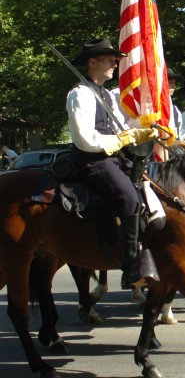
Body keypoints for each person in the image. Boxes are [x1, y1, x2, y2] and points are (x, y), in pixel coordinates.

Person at [67, 38, 159, 289]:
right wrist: (122, 139)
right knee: (129, 198)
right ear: (92, 62)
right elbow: (85, 139)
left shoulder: (106, 94)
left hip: (113, 158)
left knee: (152, 191)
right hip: (93, 161)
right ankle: (130, 266)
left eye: (115, 60)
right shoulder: (80, 94)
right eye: (109, 60)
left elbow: (123, 127)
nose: (115, 64)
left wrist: (145, 129)